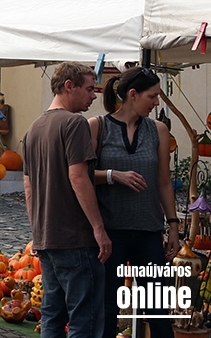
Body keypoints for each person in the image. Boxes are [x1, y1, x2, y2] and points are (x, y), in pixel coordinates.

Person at [24, 62, 111, 338]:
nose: (94, 96)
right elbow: (78, 177)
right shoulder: (75, 124)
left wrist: (37, 231)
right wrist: (98, 228)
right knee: (84, 318)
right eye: (89, 89)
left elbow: (28, 186)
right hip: (75, 237)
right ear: (69, 86)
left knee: (52, 314)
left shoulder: (33, 128)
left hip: (47, 237)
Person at [90, 67, 178, 338]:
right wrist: (113, 175)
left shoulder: (158, 130)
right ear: (132, 95)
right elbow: (81, 175)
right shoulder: (98, 127)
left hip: (148, 232)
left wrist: (173, 225)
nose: (156, 103)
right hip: (110, 233)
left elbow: (164, 182)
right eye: (152, 96)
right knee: (108, 308)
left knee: (158, 310)